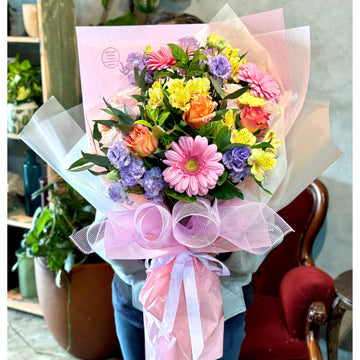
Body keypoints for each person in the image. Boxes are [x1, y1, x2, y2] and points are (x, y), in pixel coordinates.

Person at [105, 9, 271, 360]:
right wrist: (149, 277)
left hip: (219, 309)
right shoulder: (120, 130)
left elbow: (258, 228)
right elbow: (107, 223)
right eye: (162, 62)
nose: (174, 68)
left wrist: (208, 253)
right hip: (138, 303)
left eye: (186, 56)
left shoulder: (235, 130)